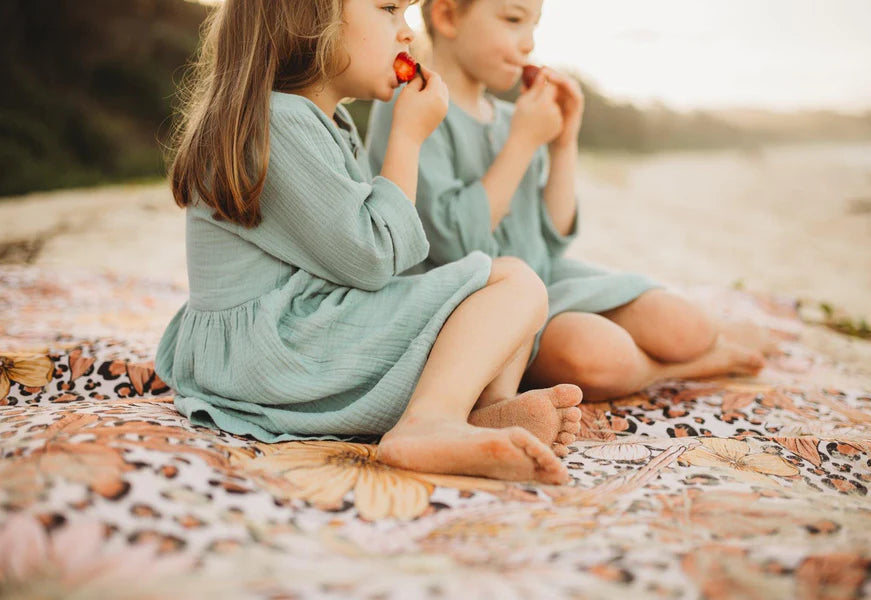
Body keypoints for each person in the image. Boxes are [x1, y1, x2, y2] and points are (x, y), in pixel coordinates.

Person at [154, 0, 585, 484]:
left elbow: (366, 261)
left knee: (498, 296)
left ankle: (481, 412)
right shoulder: (281, 121)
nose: (407, 35)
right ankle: (430, 423)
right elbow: (375, 256)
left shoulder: (318, 122)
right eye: (388, 10)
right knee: (514, 282)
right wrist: (408, 136)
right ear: (309, 19)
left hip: (293, 340)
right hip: (277, 352)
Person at [367, 0, 770, 403]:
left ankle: (696, 344)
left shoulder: (514, 116)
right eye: (512, 20)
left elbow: (554, 236)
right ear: (448, 16)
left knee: (686, 327)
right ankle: (678, 370)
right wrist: (523, 143)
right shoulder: (411, 108)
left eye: (535, 26)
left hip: (547, 277)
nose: (527, 44)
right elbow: (455, 243)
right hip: (479, 304)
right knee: (600, 357)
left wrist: (564, 143)